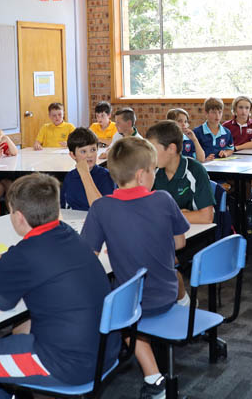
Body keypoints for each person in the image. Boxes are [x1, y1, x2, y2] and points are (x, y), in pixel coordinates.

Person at [0, 173, 119, 399]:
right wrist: (4, 258)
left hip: (67, 365)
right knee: (22, 326)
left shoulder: (26, 254)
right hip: (103, 350)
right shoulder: (68, 233)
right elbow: (37, 256)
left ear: (17, 217)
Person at [81, 137, 190, 399]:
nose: (155, 175)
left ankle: (153, 378)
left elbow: (88, 259)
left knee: (114, 306)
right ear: (141, 175)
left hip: (135, 307)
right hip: (168, 294)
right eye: (153, 171)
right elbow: (180, 242)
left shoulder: (101, 208)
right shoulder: (164, 199)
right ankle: (183, 309)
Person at [146, 120, 214, 224]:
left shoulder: (195, 170)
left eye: (153, 149)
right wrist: (180, 214)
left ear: (171, 149)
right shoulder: (153, 171)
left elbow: (206, 217)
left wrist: (169, 214)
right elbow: (145, 210)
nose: (150, 155)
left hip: (194, 231)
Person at [60, 127, 114, 211]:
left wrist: (85, 174)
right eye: (83, 151)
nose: (89, 155)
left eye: (93, 150)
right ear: (73, 155)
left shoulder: (106, 176)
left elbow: (103, 210)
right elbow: (63, 207)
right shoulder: (70, 176)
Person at [192, 97, 234, 161]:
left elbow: (230, 149)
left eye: (220, 112)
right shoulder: (197, 132)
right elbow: (192, 153)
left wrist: (226, 153)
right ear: (206, 113)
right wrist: (204, 159)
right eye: (214, 112)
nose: (217, 116)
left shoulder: (227, 132)